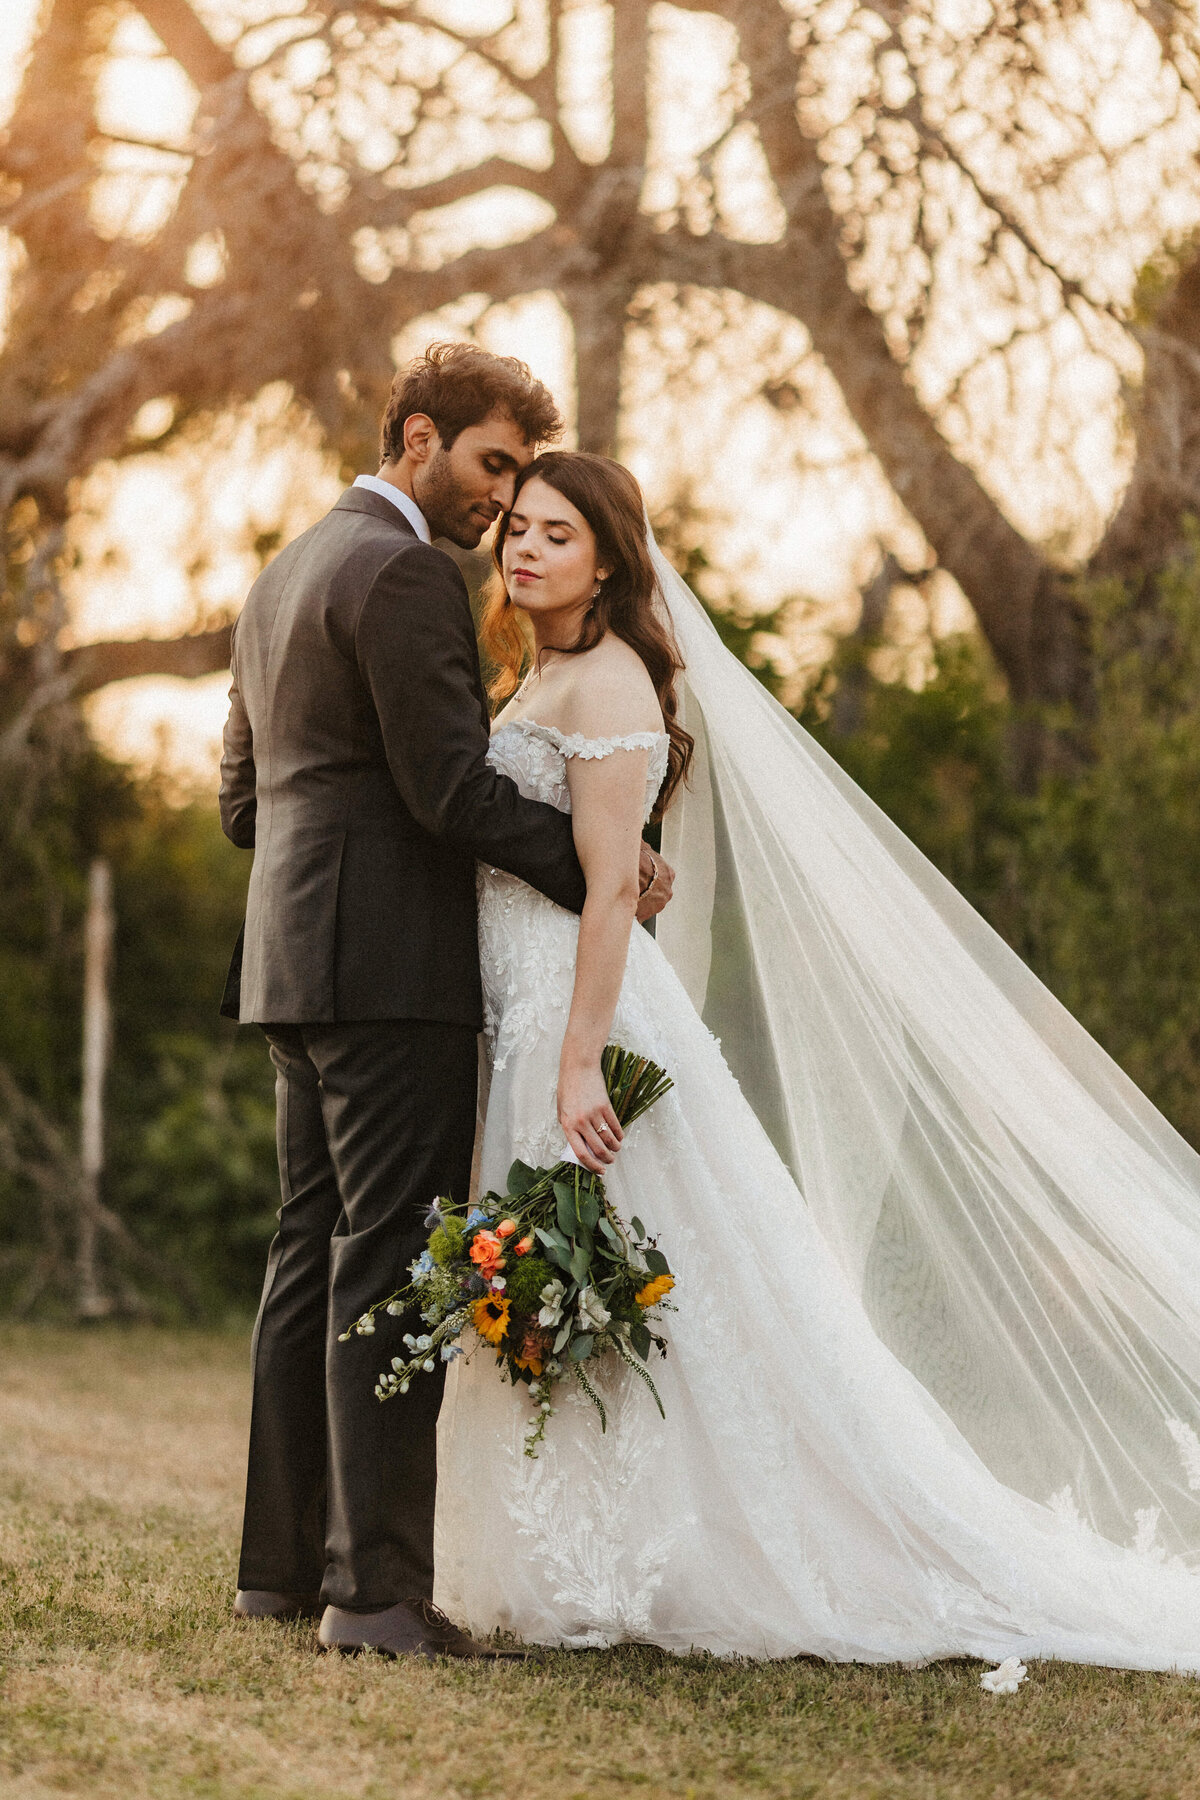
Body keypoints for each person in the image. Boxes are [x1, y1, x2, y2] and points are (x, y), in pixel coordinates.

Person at [433, 448, 1200, 1670]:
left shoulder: (611, 681)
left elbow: (604, 902)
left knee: (637, 1276)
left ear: (610, 560)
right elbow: (598, 860)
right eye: (518, 528)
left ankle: (693, 1551)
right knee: (599, 1275)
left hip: (585, 1021)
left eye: (557, 534)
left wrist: (580, 1063)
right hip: (533, 1009)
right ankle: (592, 1546)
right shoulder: (551, 671)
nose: (524, 548)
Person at [218, 346, 674, 1660]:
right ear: (418, 437)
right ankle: (375, 1598)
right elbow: (447, 794)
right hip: (393, 971)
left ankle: (278, 1570)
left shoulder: (286, 568)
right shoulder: (406, 569)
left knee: (309, 1250)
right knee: (385, 1256)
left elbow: (245, 804)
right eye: (488, 466)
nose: (496, 503)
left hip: (291, 962)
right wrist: (598, 866)